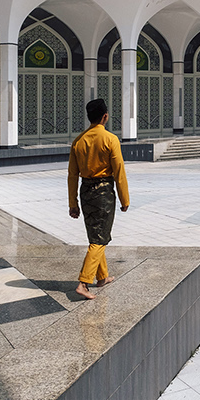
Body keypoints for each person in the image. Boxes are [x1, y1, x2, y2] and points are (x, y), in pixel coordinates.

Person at [68, 98, 130, 299]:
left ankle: (102, 277)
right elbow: (119, 170)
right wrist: (124, 198)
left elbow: (72, 175)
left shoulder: (78, 141)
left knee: (96, 234)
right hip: (103, 192)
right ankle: (84, 283)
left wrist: (73, 203)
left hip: (85, 192)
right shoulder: (110, 139)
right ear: (105, 116)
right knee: (100, 239)